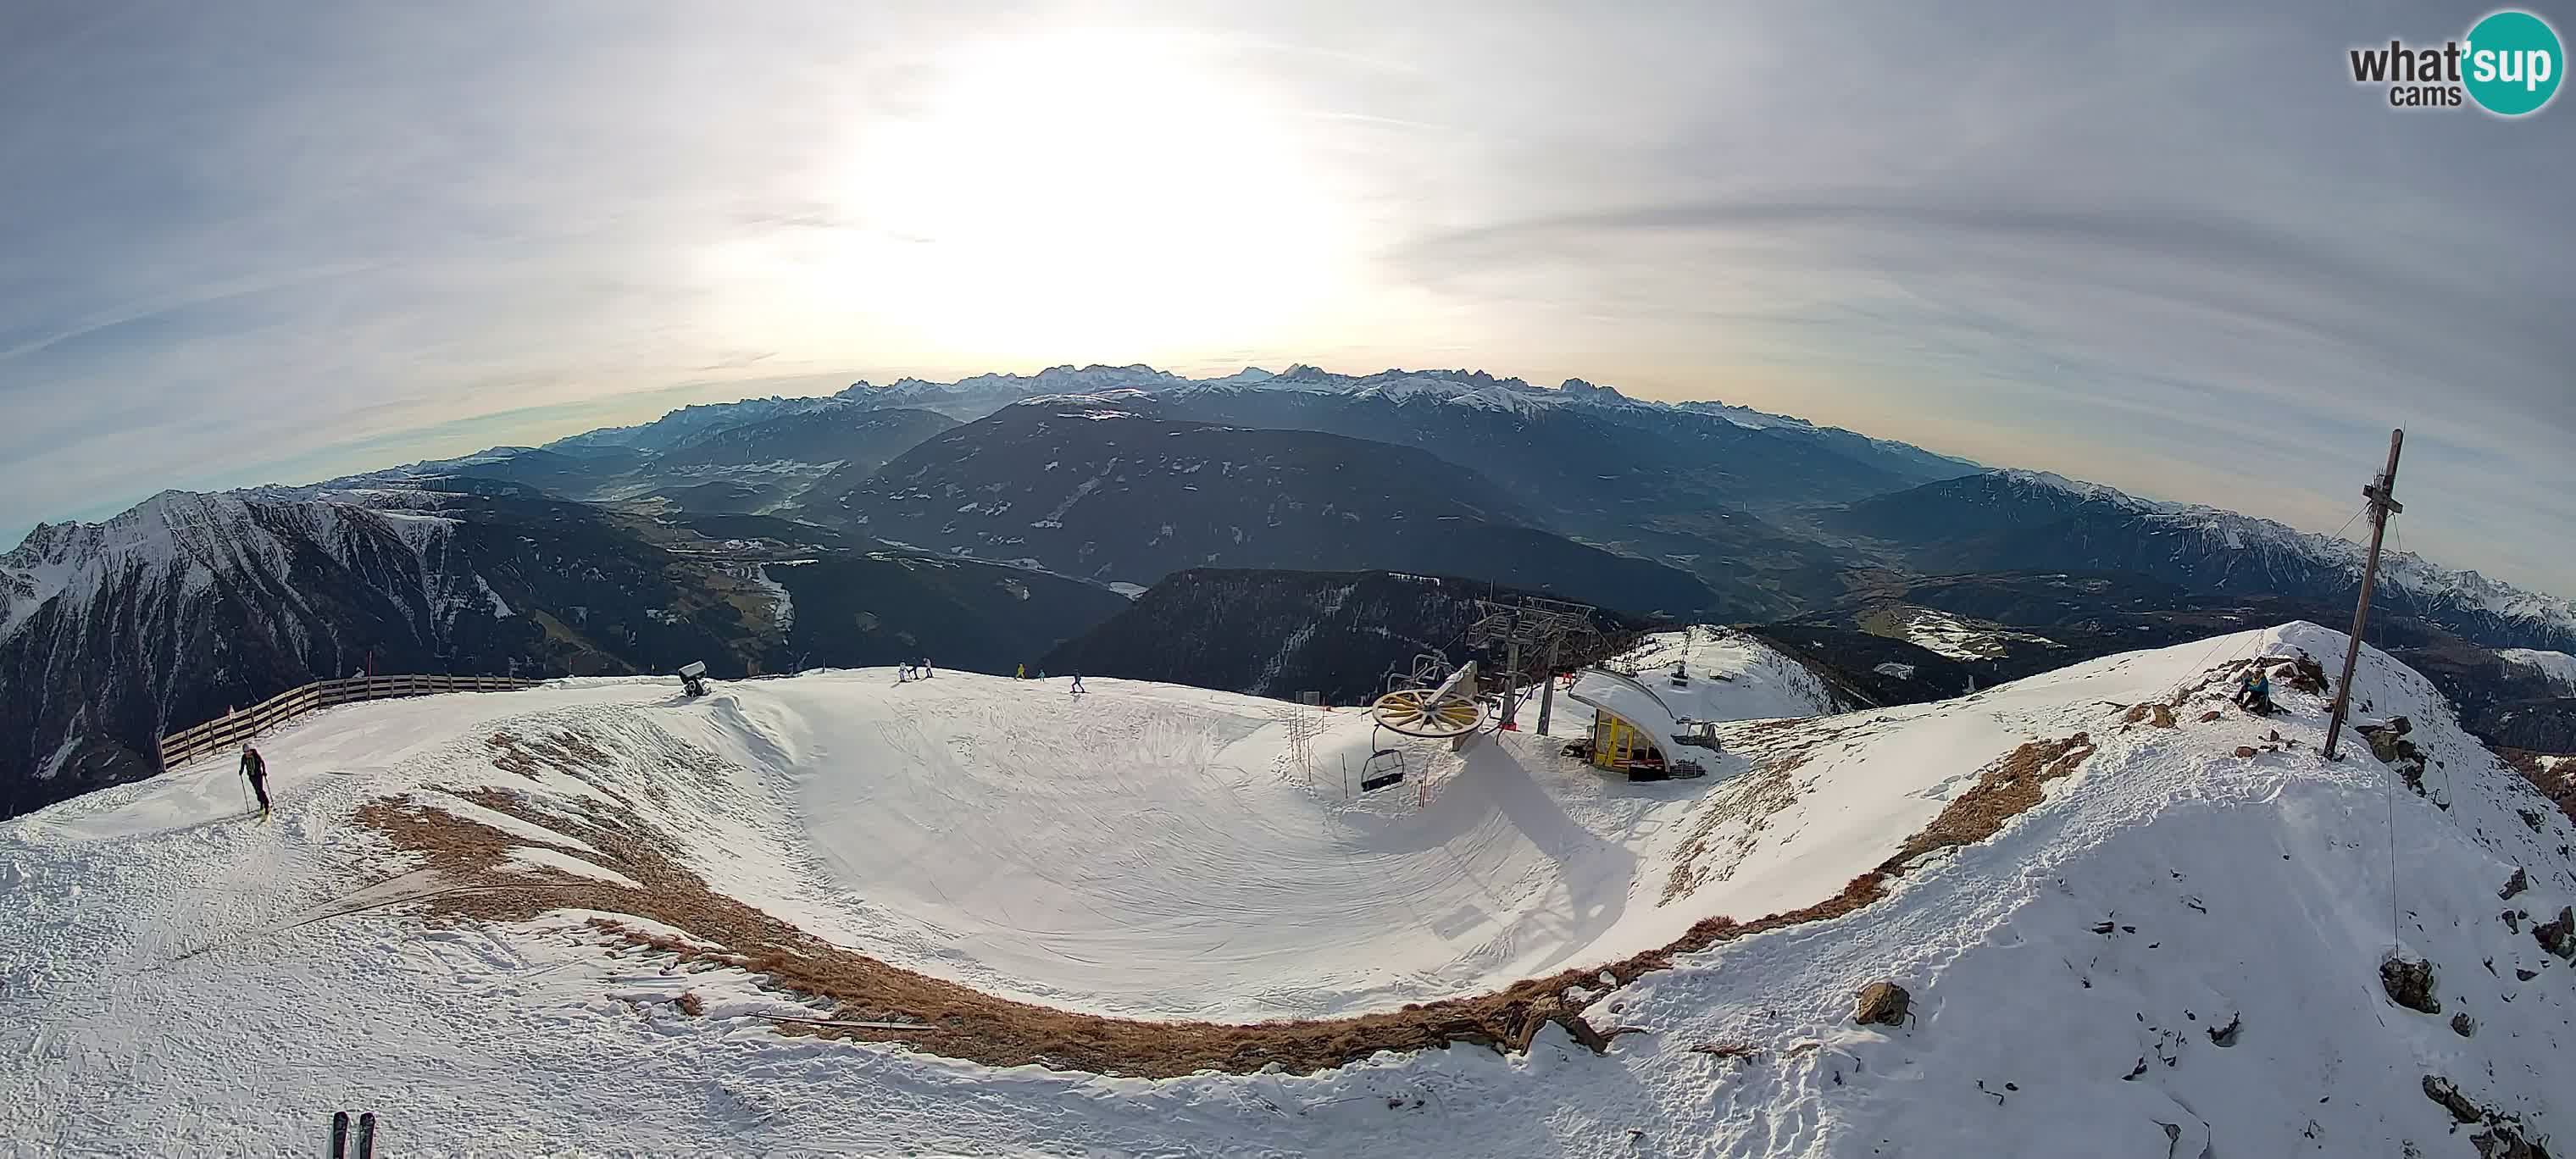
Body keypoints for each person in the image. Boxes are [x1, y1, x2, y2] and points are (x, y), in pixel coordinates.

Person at [240, 743, 271, 818]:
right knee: (256, 790)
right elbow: (242, 765)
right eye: (245, 752)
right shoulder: (244, 757)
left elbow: (262, 763)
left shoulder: (256, 755)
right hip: (251, 776)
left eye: (248, 751)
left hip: (258, 775)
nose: (247, 753)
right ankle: (261, 803)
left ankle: (267, 805)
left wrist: (264, 771)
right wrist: (241, 771)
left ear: (250, 750)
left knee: (260, 790)